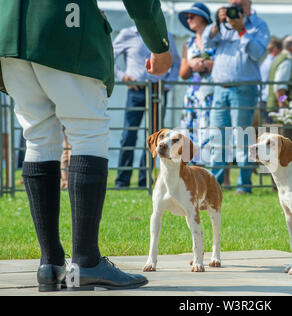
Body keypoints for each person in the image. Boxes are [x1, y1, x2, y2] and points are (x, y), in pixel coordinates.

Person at [0, 0, 172, 292]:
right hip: (66, 22)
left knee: (39, 137)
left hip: (8, 32)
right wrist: (159, 44)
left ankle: (50, 265)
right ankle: (85, 262)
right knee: (88, 133)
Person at [203, 0, 270, 194]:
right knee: (217, 137)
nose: (234, 7)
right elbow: (206, 42)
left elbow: (258, 53)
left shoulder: (259, 25)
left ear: (248, 4)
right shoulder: (223, 26)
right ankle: (212, 187)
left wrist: (241, 30)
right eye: (232, 3)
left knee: (242, 137)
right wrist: (217, 23)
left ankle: (244, 185)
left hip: (244, 89)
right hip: (220, 89)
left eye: (239, 4)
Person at [114, 29, 180, 188]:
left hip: (157, 91)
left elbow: (176, 62)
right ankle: (122, 179)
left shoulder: (165, 34)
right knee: (128, 134)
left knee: (154, 137)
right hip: (135, 91)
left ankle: (145, 179)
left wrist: (168, 84)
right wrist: (122, 76)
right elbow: (109, 56)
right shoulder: (126, 34)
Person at [178, 3, 215, 165]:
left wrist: (205, 64)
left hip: (212, 93)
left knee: (212, 131)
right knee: (189, 130)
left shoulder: (216, 39)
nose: (189, 20)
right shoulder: (188, 43)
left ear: (203, 18)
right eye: (187, 17)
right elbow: (183, 74)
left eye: (191, 16)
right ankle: (191, 171)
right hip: (192, 94)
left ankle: (214, 171)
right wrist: (191, 64)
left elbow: (224, 65)